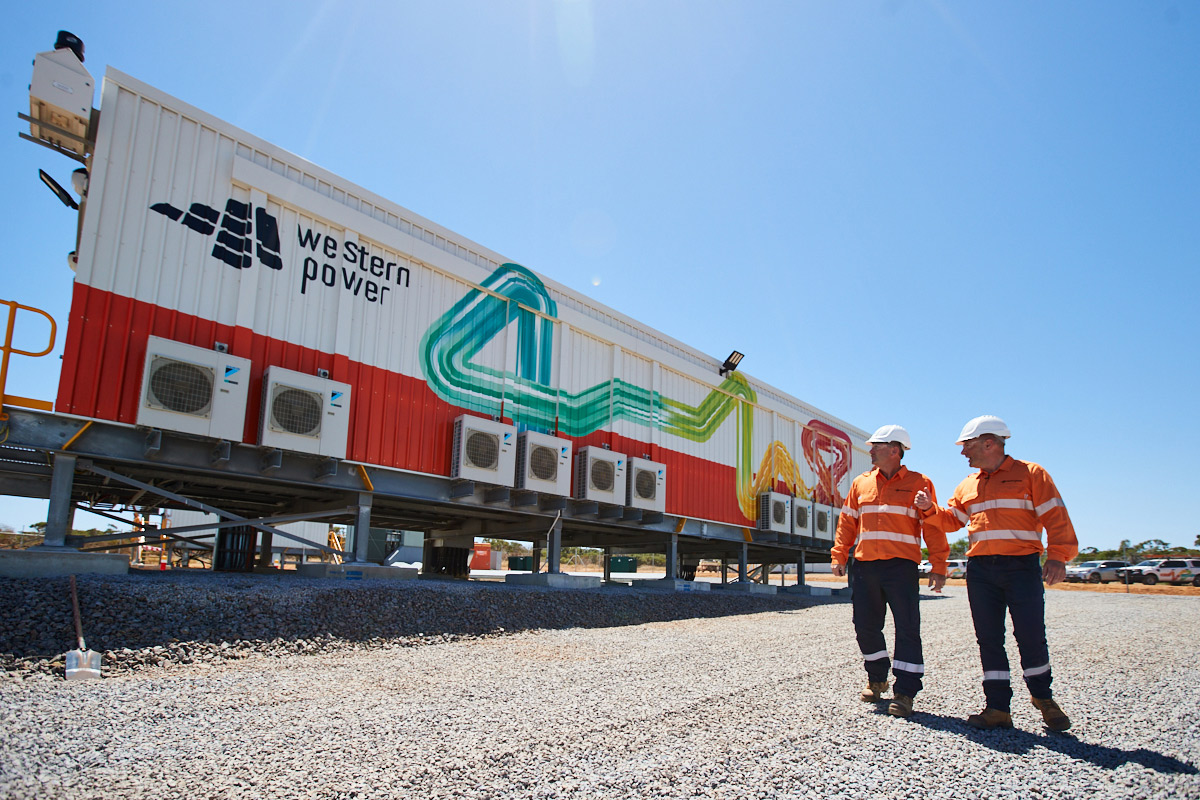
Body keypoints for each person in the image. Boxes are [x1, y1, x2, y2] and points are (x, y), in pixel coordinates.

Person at [915, 415, 1078, 731]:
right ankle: (997, 708)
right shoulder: (967, 485)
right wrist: (928, 510)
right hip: (981, 572)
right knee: (989, 639)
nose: (964, 453)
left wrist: (1058, 556)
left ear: (989, 443)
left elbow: (1056, 517)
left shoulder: (1031, 474)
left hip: (1021, 567)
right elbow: (952, 522)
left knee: (1030, 634)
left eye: (968, 446)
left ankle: (1044, 699)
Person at [832, 425, 948, 718]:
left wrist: (939, 565)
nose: (870, 450)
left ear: (894, 450)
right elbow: (847, 522)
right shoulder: (861, 483)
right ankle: (877, 678)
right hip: (866, 566)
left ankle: (905, 692)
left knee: (907, 628)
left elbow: (932, 527)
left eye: (876, 446)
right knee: (865, 626)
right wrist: (839, 555)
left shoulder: (920, 483)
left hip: (901, 567)